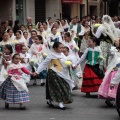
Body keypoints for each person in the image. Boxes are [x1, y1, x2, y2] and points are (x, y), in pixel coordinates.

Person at [33, 42, 74, 110]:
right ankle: (60, 102)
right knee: (57, 88)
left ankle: (51, 100)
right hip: (53, 73)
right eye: (60, 48)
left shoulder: (62, 55)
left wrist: (69, 64)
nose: (61, 49)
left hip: (61, 73)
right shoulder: (51, 55)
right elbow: (44, 63)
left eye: (62, 47)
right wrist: (37, 72)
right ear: (55, 48)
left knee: (64, 86)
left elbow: (64, 62)